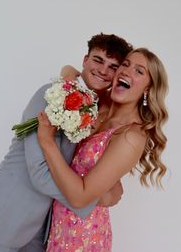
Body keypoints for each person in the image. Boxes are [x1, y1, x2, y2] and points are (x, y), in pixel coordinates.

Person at [0, 32, 133, 252]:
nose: (103, 70)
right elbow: (39, 171)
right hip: (7, 209)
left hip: (44, 223)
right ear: (85, 60)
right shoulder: (50, 96)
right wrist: (93, 199)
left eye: (113, 67)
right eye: (98, 60)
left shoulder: (96, 110)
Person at [37, 47, 168, 252]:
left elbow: (80, 198)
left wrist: (47, 143)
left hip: (83, 236)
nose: (126, 71)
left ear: (148, 89)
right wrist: (68, 78)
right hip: (56, 225)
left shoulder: (130, 136)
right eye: (125, 64)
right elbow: (70, 69)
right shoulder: (101, 104)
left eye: (139, 71)